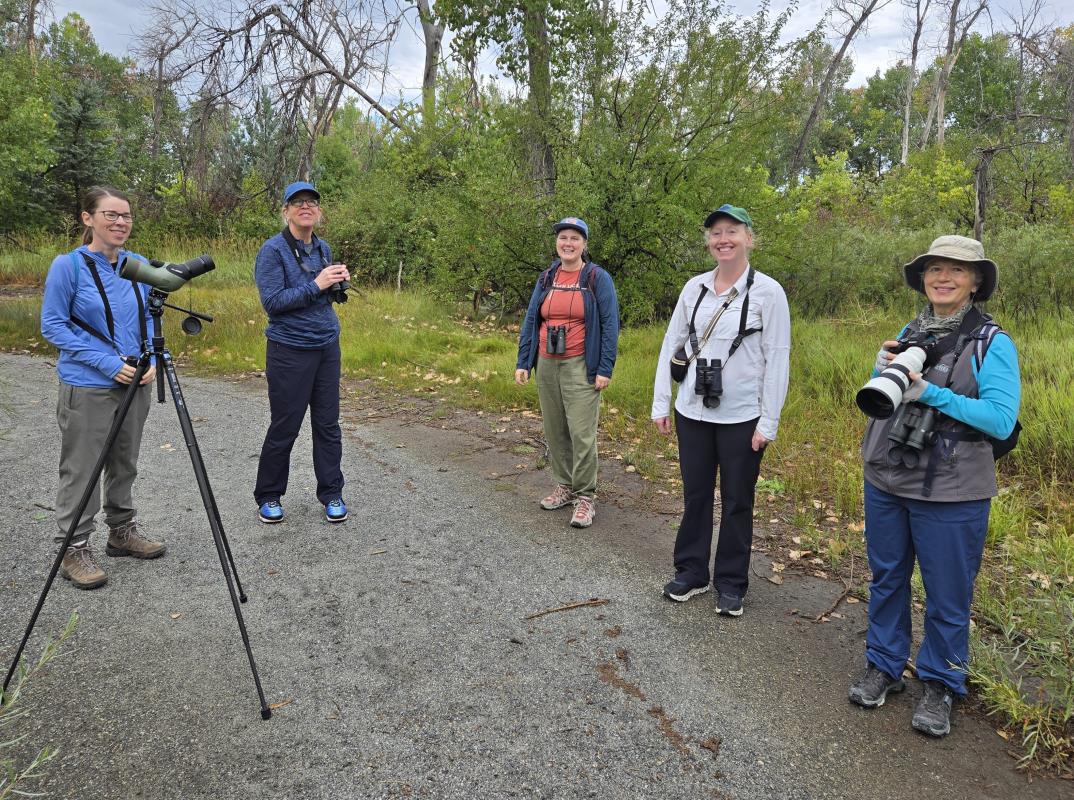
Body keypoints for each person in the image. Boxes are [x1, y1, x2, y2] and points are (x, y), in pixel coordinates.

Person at [849, 235, 1020, 738]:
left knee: (948, 592)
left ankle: (942, 681)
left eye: (956, 270)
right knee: (887, 577)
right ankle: (884, 664)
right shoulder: (910, 332)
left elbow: (1000, 419)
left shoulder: (993, 342)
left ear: (976, 282)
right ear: (922, 279)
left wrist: (931, 393)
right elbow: (884, 401)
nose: (943, 278)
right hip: (886, 475)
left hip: (952, 487)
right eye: (934, 269)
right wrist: (883, 370)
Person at [652, 205, 790, 616]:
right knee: (695, 495)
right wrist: (661, 401)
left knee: (737, 501)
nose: (723, 239)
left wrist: (769, 421)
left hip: (742, 416)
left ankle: (731, 583)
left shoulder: (768, 292)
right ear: (708, 241)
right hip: (692, 411)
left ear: (749, 238)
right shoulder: (693, 288)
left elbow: (777, 358)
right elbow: (671, 343)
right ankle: (691, 572)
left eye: (732, 231)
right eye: (716, 233)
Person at [40, 186, 165, 590]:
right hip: (88, 384)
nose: (120, 222)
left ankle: (122, 531)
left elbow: (150, 317)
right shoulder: (69, 267)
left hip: (135, 382)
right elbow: (53, 325)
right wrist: (108, 363)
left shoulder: (137, 265)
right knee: (83, 468)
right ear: (88, 218)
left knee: (125, 461)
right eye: (110, 214)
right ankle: (73, 547)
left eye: (126, 215)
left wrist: (152, 359)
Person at [253, 181, 350, 524]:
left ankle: (332, 492)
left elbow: (324, 295)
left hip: (326, 347)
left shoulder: (323, 248)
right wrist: (317, 284)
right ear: (286, 211)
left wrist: (337, 284)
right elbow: (273, 302)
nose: (305, 207)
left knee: (328, 425)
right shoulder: (273, 251)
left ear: (318, 211)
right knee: (285, 426)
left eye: (311, 202)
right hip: (289, 350)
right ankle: (269, 495)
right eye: (298, 202)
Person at [515, 217, 620, 528]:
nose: (568, 243)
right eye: (563, 237)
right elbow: (532, 318)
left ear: (584, 244)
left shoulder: (597, 278)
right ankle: (565, 485)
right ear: (557, 242)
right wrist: (523, 361)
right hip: (546, 363)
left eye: (575, 238)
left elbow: (610, 325)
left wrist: (605, 368)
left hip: (580, 364)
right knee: (555, 429)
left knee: (581, 433)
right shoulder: (547, 277)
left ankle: (585, 496)